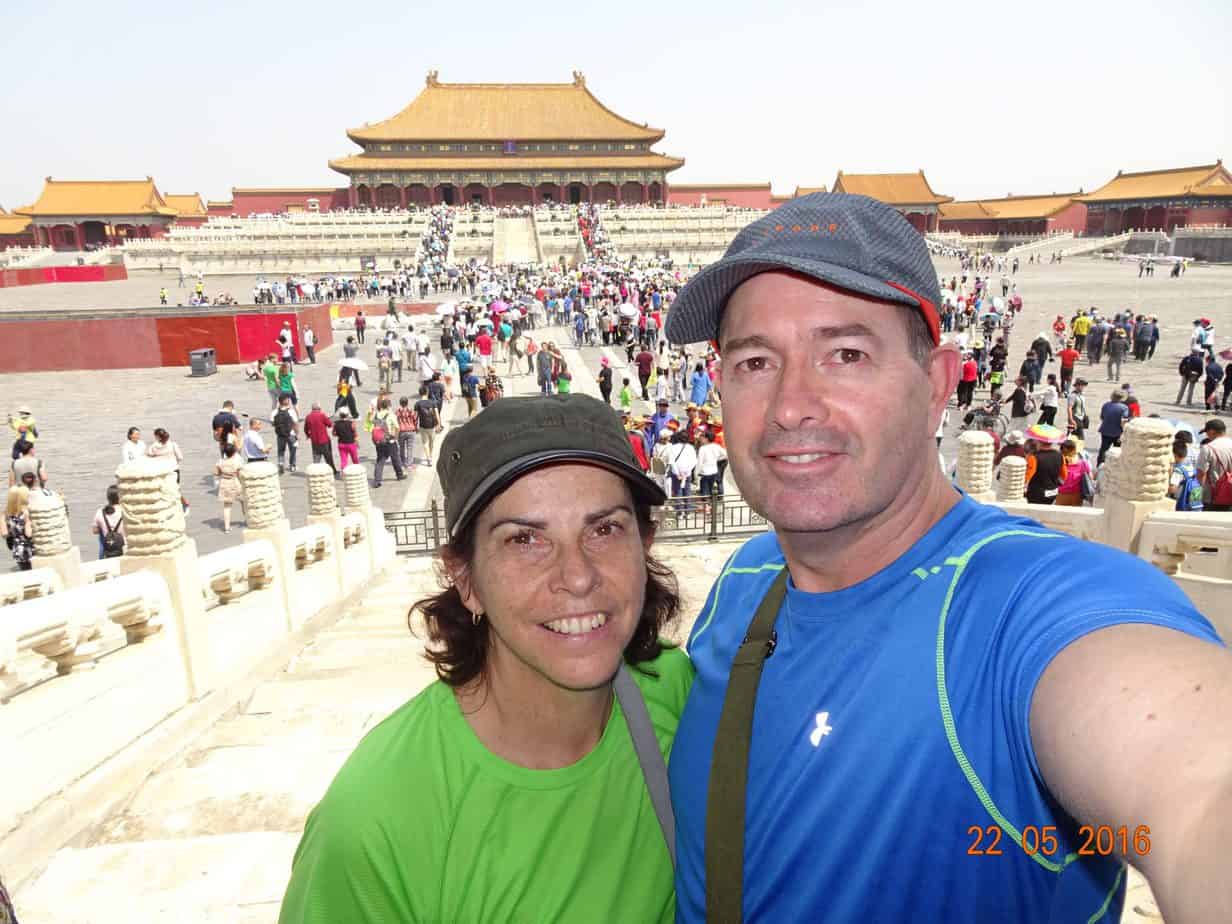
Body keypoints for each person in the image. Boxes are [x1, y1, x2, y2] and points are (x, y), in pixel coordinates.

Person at [661, 193, 1229, 924]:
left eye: (846, 354)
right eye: (756, 361)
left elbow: (1203, 787)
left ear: (936, 384)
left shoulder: (1026, 604)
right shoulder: (743, 582)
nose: (790, 405)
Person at [279, 394, 689, 924]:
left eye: (604, 528)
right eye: (524, 540)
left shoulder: (677, 695)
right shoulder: (376, 821)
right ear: (465, 578)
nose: (579, 575)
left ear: (645, 543)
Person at [148, 427, 187, 511]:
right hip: (174, 469)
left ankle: (173, 505)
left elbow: (149, 453)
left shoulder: (154, 446)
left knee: (164, 489)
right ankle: (182, 504)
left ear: (157, 437)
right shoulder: (173, 445)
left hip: (161, 471)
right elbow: (180, 457)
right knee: (175, 488)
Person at [1197, 418, 1232, 511]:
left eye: (1207, 432)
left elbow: (1201, 473)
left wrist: (1198, 493)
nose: (1207, 435)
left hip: (1213, 496)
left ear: (1212, 431)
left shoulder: (1208, 448)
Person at [370, 398, 405, 487]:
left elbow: (371, 421)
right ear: (389, 406)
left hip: (379, 440)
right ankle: (399, 474)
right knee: (395, 458)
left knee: (380, 460)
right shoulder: (391, 415)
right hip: (389, 440)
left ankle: (377, 480)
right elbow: (397, 427)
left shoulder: (377, 415)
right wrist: (396, 437)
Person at [213, 444, 245, 532]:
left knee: (227, 506)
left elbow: (216, 472)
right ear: (234, 452)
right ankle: (247, 520)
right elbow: (240, 475)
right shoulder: (237, 462)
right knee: (243, 502)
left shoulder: (220, 462)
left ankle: (227, 527)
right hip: (235, 482)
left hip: (224, 483)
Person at [2, 484, 33, 570]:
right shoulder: (25, 513)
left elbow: (5, 534)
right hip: (29, 549)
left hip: (17, 549)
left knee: (25, 573)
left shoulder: (6, 514)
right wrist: (27, 521)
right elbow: (29, 534)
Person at [1096, 389, 1129, 466]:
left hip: (1105, 430)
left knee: (1103, 449)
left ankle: (1099, 465)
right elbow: (1123, 421)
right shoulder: (1124, 408)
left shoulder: (1106, 405)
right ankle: (1115, 466)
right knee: (1117, 451)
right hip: (1117, 432)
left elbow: (1102, 417)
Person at [303, 402, 338, 477]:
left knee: (316, 457)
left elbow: (305, 428)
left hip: (314, 440)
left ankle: (315, 472)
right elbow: (329, 424)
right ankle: (332, 470)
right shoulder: (322, 415)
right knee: (328, 456)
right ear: (319, 409)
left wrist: (308, 435)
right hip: (324, 440)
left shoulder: (308, 417)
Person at [91, 485, 125, 559]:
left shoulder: (100, 512)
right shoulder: (125, 511)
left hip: (109, 546)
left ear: (108, 498)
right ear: (120, 498)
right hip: (123, 546)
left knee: (102, 534)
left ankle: (102, 556)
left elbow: (94, 531)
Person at [1169, 440, 1203, 512]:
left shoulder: (1178, 470)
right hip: (1196, 503)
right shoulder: (1192, 467)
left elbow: (1173, 489)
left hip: (1183, 504)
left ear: (1174, 455)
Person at [1054, 439, 1091, 507]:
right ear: (1074, 450)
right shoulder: (1083, 463)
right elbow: (1090, 477)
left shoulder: (1058, 462)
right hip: (1077, 494)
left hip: (1061, 493)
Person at [414, 385, 440, 466]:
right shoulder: (432, 402)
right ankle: (430, 456)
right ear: (427, 392)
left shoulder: (417, 404)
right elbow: (437, 414)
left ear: (420, 393)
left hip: (422, 426)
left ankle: (428, 458)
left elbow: (415, 416)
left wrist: (415, 426)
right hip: (432, 426)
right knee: (431, 442)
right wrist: (439, 424)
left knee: (425, 443)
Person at [273, 396, 299, 474]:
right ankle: (292, 465)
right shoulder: (291, 411)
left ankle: (281, 463)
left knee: (281, 450)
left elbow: (273, 423)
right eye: (288, 399)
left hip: (280, 435)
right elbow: (295, 423)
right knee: (293, 450)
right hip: (290, 434)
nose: (289, 401)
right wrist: (297, 434)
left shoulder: (275, 412)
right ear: (284, 401)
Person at [395, 397, 418, 469]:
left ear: (400, 403)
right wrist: (416, 428)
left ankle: (402, 462)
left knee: (401, 448)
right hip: (410, 430)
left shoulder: (397, 412)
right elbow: (415, 420)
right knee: (410, 448)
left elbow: (395, 421)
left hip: (401, 431)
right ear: (407, 403)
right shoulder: (411, 411)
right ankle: (409, 464)